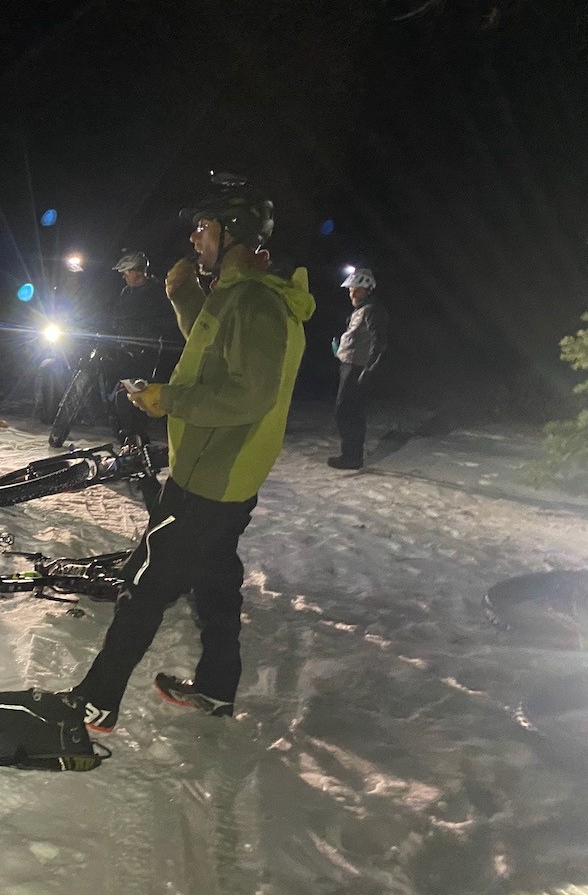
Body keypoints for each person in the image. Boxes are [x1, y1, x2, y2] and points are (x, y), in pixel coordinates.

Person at [69, 175, 316, 727]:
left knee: (144, 583)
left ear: (235, 233)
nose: (195, 238)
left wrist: (167, 400)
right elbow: (214, 355)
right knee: (215, 579)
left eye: (203, 227)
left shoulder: (253, 302)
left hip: (210, 476)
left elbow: (247, 393)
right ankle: (217, 687)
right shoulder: (242, 296)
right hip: (228, 474)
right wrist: (184, 297)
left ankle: (97, 698)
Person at [108, 249, 184, 444]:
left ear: (140, 271)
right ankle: (125, 434)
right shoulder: (126, 292)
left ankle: (137, 437)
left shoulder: (158, 291)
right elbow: (117, 317)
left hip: (150, 351)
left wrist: (148, 331)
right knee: (121, 392)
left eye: (128, 272)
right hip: (126, 348)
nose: (125, 277)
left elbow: (169, 320)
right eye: (123, 274)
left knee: (134, 393)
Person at [329, 268, 388, 470]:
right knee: (347, 411)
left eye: (357, 290)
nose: (352, 293)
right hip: (349, 365)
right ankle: (351, 455)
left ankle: (352, 457)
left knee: (347, 411)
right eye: (351, 289)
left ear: (368, 290)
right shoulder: (361, 310)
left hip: (357, 368)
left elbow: (378, 341)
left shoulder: (372, 309)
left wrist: (369, 369)